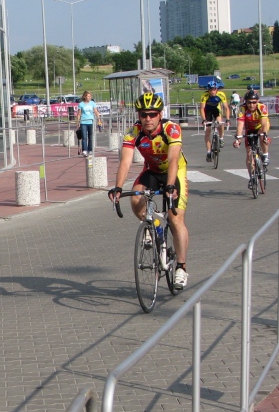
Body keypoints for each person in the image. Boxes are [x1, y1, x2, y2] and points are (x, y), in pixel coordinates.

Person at [108, 92, 190, 291]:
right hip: (152, 170)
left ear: (160, 114)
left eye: (152, 114)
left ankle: (181, 267)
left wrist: (170, 186)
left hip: (174, 171)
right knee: (136, 199)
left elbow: (173, 160)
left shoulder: (171, 129)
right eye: (143, 114)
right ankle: (155, 226)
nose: (148, 118)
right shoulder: (133, 133)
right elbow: (125, 161)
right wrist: (118, 187)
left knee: (175, 218)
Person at [232, 89, 271, 185]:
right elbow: (240, 124)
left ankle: (265, 155)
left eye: (254, 102)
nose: (251, 105)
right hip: (249, 128)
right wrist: (238, 139)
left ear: (257, 101)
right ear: (245, 102)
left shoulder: (262, 107)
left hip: (260, 127)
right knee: (249, 155)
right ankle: (252, 177)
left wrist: (265, 135)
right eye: (249, 102)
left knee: (262, 135)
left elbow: (264, 124)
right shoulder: (242, 109)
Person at [200, 81, 230, 162]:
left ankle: (221, 138)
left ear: (217, 89)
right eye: (210, 90)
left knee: (220, 123)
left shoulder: (221, 94)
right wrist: (204, 120)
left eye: (214, 89)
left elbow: (226, 108)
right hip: (207, 111)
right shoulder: (204, 95)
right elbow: (202, 108)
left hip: (216, 110)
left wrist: (228, 119)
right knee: (208, 131)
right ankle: (209, 152)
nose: (212, 91)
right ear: (208, 90)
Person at [76, 91, 102, 157]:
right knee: (84, 137)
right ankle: (84, 150)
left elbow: (96, 111)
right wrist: (78, 123)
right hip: (83, 122)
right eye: (88, 96)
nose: (89, 97)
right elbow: (79, 114)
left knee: (91, 137)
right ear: (85, 96)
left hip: (91, 122)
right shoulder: (81, 104)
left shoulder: (92, 103)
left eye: (90, 96)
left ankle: (90, 150)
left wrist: (99, 119)